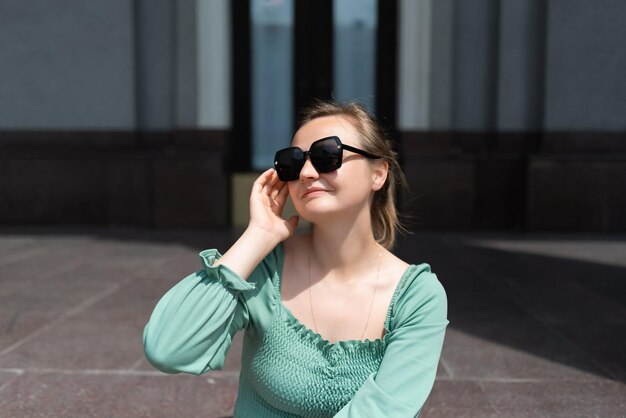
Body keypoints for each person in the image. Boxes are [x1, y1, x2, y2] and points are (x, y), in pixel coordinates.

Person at [143, 101, 448, 417]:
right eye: (291, 162)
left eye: (327, 155)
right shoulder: (265, 270)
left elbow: (385, 410)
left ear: (378, 173)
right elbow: (167, 349)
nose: (306, 172)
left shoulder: (417, 296)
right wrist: (257, 236)